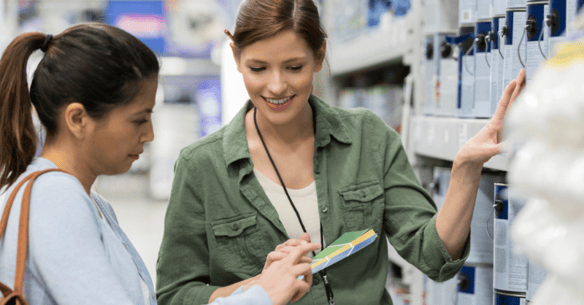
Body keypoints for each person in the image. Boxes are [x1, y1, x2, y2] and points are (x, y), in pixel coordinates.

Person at [156, 0, 528, 304]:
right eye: (258, 67)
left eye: (294, 67)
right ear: (235, 57)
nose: (276, 85)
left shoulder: (368, 137)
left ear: (319, 57)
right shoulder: (201, 165)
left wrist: (465, 168)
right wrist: (260, 289)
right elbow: (176, 294)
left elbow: (433, 256)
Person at [0, 23, 318, 305]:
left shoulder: (87, 199)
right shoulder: (56, 199)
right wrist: (263, 297)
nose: (149, 134)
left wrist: (261, 284)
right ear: (78, 119)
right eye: (139, 119)